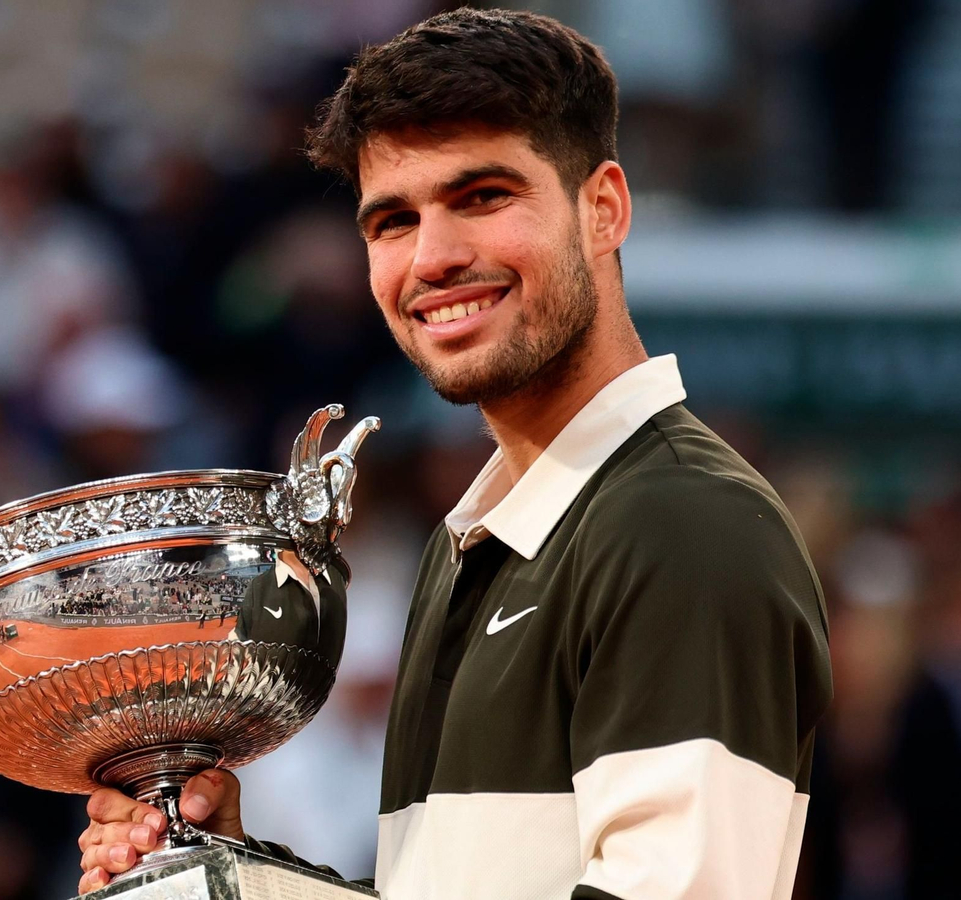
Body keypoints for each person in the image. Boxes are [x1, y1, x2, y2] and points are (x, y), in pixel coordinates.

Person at [76, 9, 832, 899]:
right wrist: (231, 877)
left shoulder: (680, 523)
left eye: (483, 197)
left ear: (604, 209)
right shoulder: (473, 538)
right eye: (392, 220)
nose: (433, 258)